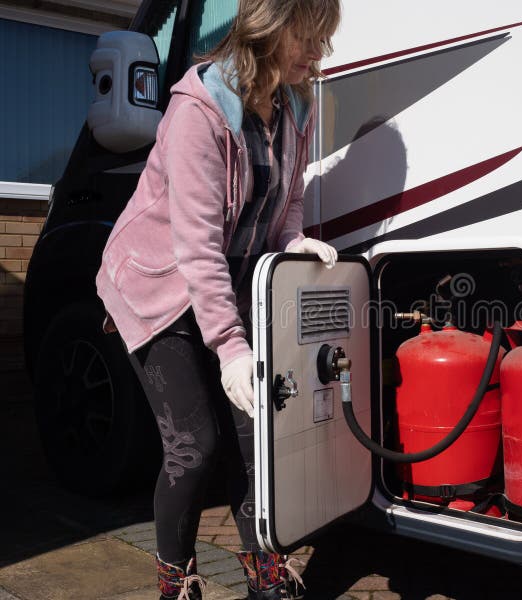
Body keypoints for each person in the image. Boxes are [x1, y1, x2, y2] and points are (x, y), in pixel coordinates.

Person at [95, 1, 341, 598]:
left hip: (223, 282)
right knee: (195, 444)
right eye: (310, 37)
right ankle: (175, 582)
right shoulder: (198, 112)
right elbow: (198, 247)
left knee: (255, 435)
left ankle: (264, 571)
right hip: (156, 282)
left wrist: (295, 243)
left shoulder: (296, 106)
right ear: (271, 29)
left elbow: (285, 204)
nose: (320, 53)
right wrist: (230, 350)